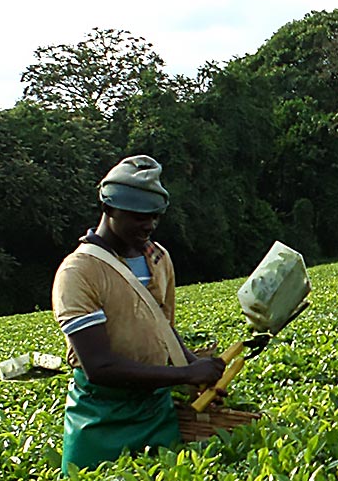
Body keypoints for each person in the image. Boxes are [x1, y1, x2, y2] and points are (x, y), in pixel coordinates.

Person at [53, 155, 226, 474]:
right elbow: (99, 367)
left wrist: (194, 371)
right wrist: (186, 375)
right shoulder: (79, 272)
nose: (148, 225)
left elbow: (163, 328)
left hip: (155, 412)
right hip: (99, 417)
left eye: (154, 217)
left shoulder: (159, 258)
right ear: (108, 209)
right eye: (137, 216)